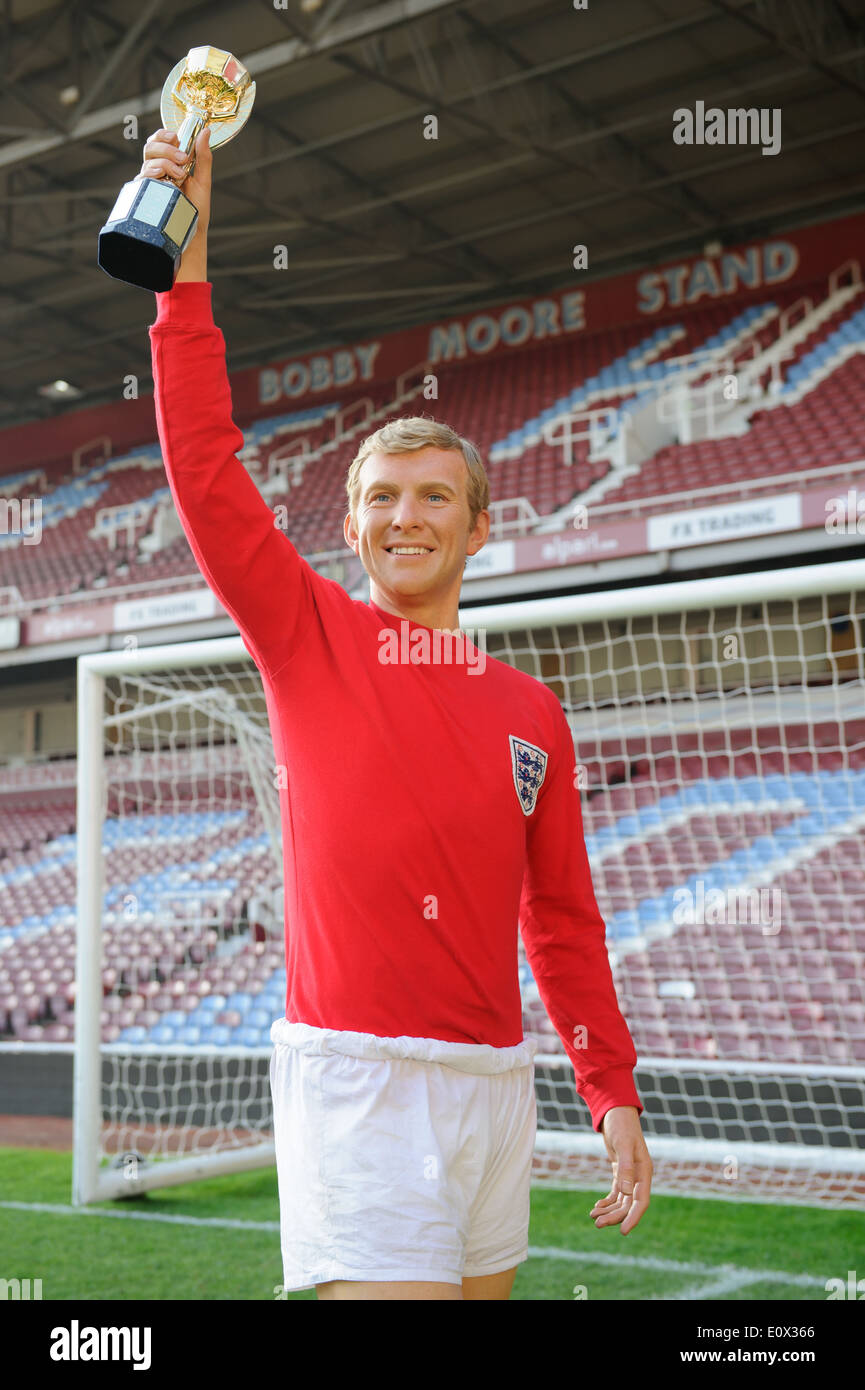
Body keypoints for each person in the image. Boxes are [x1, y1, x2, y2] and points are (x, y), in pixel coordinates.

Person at [143, 125, 652, 1301]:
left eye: (434, 496)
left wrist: (610, 1089)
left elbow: (563, 922)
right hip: (357, 1082)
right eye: (380, 497)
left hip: (496, 1085)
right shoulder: (306, 632)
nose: (404, 516)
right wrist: (186, 264)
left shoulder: (531, 711)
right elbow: (209, 471)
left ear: (480, 528)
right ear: (353, 524)